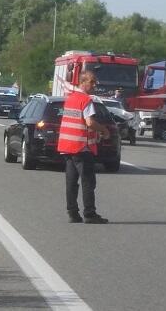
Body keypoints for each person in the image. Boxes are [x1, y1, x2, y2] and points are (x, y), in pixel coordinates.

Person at [58, 69, 111, 224]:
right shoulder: (86, 100)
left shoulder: (70, 99)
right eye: (92, 82)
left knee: (71, 182)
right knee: (88, 181)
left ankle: (73, 213)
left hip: (67, 146)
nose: (94, 85)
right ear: (82, 82)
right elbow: (90, 122)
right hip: (81, 147)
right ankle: (89, 213)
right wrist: (104, 130)